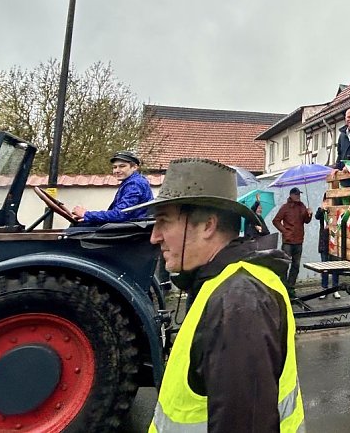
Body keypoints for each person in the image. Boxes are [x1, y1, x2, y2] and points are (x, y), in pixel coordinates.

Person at [126, 158, 304, 432]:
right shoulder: (220, 284)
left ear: (208, 225)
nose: (154, 236)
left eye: (163, 222)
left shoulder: (238, 301)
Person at [72, 150, 153, 223]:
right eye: (114, 167)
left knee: (75, 230)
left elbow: (120, 214)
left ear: (134, 167)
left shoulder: (134, 184)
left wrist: (87, 214)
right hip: (130, 226)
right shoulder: (132, 181)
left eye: (122, 166)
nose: (117, 171)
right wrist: (88, 217)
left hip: (130, 230)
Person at [272, 187, 312, 298]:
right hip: (288, 242)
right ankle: (283, 288)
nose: (298, 196)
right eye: (296, 194)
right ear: (291, 195)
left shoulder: (302, 206)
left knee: (296, 266)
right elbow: (276, 221)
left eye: (299, 194)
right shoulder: (285, 208)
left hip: (299, 241)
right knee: (284, 265)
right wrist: (285, 231)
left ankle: (291, 288)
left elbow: (306, 221)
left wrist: (309, 214)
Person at [316, 207, 341, 299]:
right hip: (324, 243)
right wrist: (322, 209)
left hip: (334, 242)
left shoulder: (336, 210)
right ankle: (324, 288)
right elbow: (317, 216)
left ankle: (335, 288)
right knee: (324, 267)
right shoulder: (322, 211)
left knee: (335, 267)